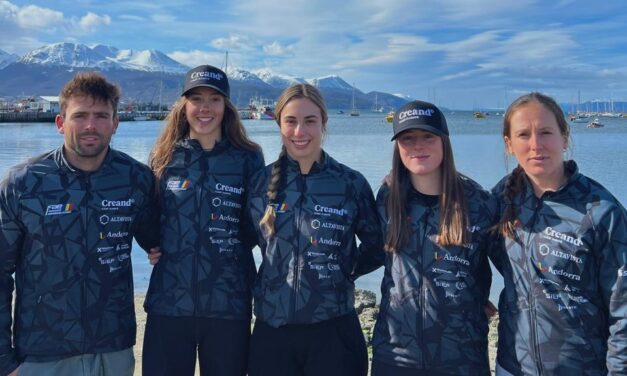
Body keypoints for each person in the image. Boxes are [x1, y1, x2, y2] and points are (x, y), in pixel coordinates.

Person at [0, 72, 158, 376]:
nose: (90, 126)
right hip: (42, 353)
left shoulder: (136, 179)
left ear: (115, 124)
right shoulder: (24, 184)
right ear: (60, 123)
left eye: (101, 116)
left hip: (113, 348)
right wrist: (3, 360)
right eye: (80, 115)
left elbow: (160, 240)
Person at [245, 83, 384, 376]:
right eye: (291, 121)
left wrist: (345, 269)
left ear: (324, 123)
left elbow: (378, 244)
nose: (300, 131)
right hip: (272, 331)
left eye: (310, 121)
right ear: (279, 124)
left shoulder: (350, 183)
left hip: (333, 329)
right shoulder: (258, 183)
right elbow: (240, 243)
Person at [491, 92, 627, 375]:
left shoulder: (601, 211)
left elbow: (623, 309)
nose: (536, 145)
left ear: (565, 138)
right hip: (512, 366)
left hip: (582, 368)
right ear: (509, 144)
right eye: (524, 135)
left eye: (546, 132)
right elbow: (468, 244)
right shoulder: (499, 199)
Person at [141, 65, 264, 376]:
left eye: (215, 99)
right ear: (184, 105)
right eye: (196, 99)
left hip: (228, 303)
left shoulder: (248, 157)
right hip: (169, 302)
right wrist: (153, 244)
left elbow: (254, 224)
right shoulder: (164, 156)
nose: (205, 108)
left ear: (227, 107)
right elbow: (147, 214)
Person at [370, 100, 497, 375]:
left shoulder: (479, 202)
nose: (418, 145)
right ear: (398, 147)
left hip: (462, 356)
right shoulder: (387, 198)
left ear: (444, 141)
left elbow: (506, 262)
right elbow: (369, 250)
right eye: (408, 138)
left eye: (428, 136)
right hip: (395, 354)